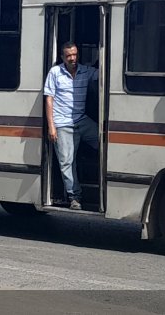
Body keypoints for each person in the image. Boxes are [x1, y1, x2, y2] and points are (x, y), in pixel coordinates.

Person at [44, 41, 98, 210]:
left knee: (107, 143)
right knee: (67, 161)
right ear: (62, 57)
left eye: (74, 55)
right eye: (68, 56)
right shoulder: (55, 72)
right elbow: (49, 99)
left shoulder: (86, 71)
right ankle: (74, 197)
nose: (72, 58)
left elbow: (102, 73)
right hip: (62, 124)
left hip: (81, 120)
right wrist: (51, 126)